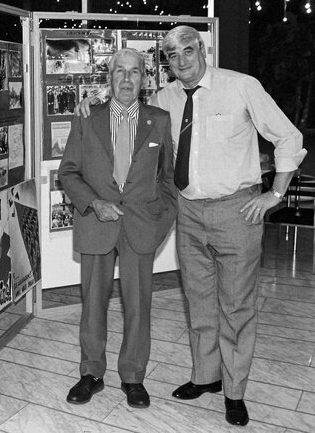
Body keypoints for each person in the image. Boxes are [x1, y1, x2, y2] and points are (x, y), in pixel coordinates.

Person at [75, 26, 306, 426]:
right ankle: (205, 377)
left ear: (202, 49)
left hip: (236, 210)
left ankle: (234, 393)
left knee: (236, 307)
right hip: (190, 213)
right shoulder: (164, 99)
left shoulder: (241, 86)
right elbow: (122, 101)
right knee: (198, 303)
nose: (181, 60)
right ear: (165, 62)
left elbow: (289, 137)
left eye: (187, 50)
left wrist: (275, 194)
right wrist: (90, 99)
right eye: (172, 54)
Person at [59, 48, 177, 409]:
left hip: (141, 227)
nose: (127, 79)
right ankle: (91, 373)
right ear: (108, 78)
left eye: (135, 72)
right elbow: (68, 172)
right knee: (93, 301)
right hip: (96, 222)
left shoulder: (159, 119)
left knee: (138, 305)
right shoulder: (86, 118)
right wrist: (94, 203)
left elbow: (168, 179)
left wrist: (160, 223)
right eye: (120, 72)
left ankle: (133, 377)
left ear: (145, 79)